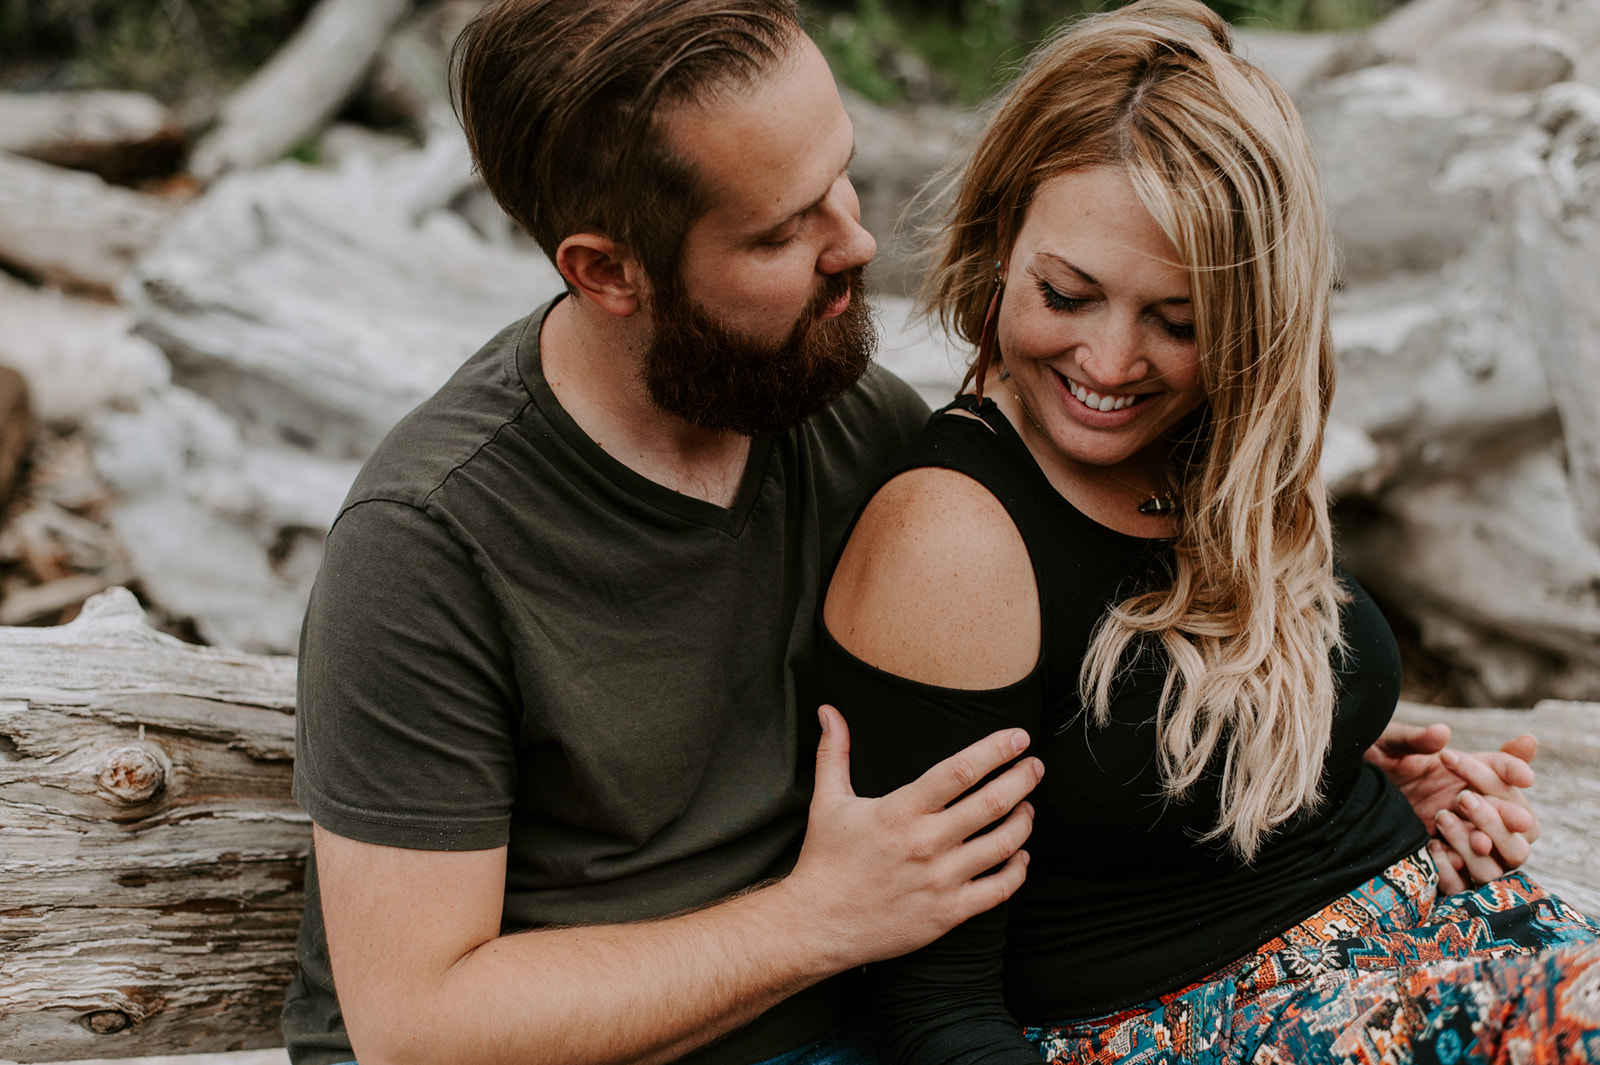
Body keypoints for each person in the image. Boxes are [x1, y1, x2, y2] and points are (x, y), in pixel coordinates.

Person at [817, 1, 1600, 1062]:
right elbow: (932, 1014)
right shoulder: (953, 539)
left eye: (1177, 321)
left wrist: (1377, 794)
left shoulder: (1212, 450)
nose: (1107, 361)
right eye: (1066, 294)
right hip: (1192, 1024)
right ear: (1002, 241)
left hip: (1429, 944)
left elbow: (1171, 786)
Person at [279, 2, 1048, 1063]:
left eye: (840, 177)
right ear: (606, 272)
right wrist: (821, 917)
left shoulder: (843, 412)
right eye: (783, 230)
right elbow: (419, 1027)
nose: (856, 241)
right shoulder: (426, 545)